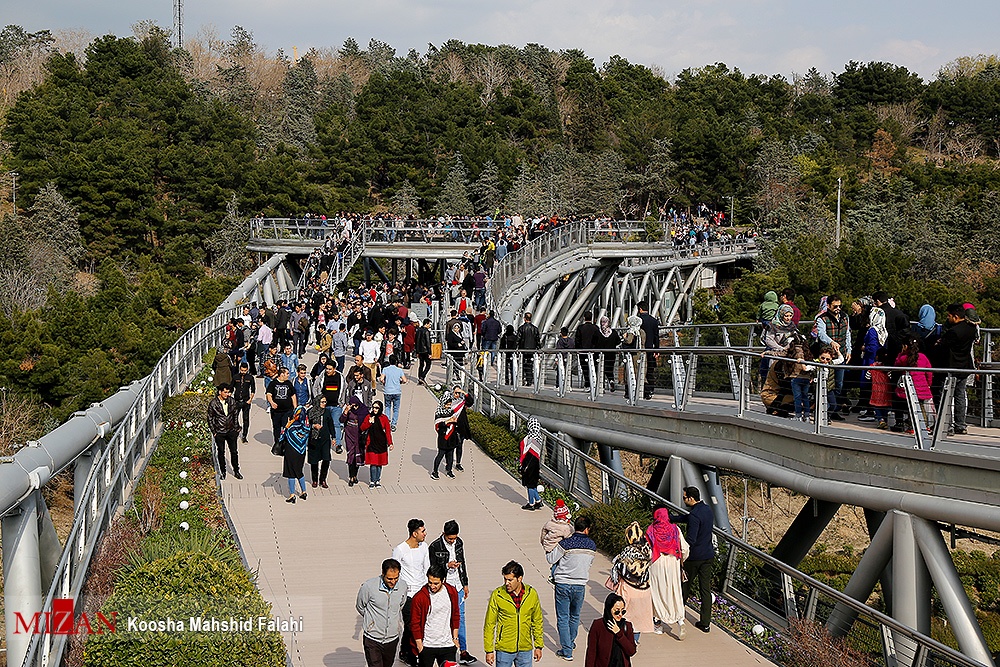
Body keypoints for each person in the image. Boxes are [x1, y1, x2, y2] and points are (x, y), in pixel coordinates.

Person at [547, 515, 597, 661]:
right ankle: (570, 641)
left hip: (562, 584)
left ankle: (567, 650)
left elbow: (551, 559)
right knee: (575, 616)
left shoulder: (566, 543)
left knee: (563, 618)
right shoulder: (592, 546)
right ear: (587, 529)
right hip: (580, 585)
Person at [428, 520, 477, 665]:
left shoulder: (459, 543)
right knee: (443, 617)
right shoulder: (435, 546)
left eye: (454, 538)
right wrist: (446, 565)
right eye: (450, 538)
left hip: (458, 585)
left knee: (460, 618)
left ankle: (463, 651)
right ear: (444, 534)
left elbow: (463, 563)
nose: (452, 541)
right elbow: (432, 569)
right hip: (444, 587)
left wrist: (465, 584)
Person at [483, 561, 544, 667]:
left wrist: (538, 646)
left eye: (510, 580)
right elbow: (489, 624)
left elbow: (537, 621)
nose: (507, 583)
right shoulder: (497, 595)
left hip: (525, 648)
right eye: (505, 579)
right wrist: (489, 650)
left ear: (519, 578)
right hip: (504, 649)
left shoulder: (532, 594)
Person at [673, 487, 715, 633]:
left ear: (691, 498)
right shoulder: (707, 510)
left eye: (684, 498)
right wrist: (673, 518)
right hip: (708, 555)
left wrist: (678, 547)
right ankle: (705, 623)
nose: (684, 500)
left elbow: (691, 539)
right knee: (705, 590)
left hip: (694, 558)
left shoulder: (694, 515)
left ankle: (678, 615)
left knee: (684, 586)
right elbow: (688, 518)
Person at [645, 508, 688, 639]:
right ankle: (680, 621)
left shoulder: (651, 530)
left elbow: (647, 550)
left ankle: (658, 624)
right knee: (674, 591)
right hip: (673, 562)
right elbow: (685, 548)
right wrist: (681, 560)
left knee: (658, 593)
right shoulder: (675, 529)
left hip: (656, 564)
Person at [357, 558, 408, 667]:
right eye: (389, 578)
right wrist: (372, 621)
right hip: (372, 639)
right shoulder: (368, 587)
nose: (393, 582)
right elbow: (360, 606)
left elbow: (401, 605)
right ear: (383, 574)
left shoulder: (403, 586)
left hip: (392, 639)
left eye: (396, 578)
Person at [394, 519, 431, 667]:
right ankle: (408, 653)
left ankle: (410, 651)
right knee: (410, 625)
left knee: (422, 623)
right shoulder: (400, 549)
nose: (425, 533)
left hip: (422, 592)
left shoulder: (424, 547)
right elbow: (394, 571)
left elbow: (427, 568)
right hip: (408, 593)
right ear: (414, 533)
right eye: (422, 531)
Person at [937, 303, 978, 435]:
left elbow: (943, 346)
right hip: (964, 366)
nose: (947, 318)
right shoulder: (971, 329)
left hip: (951, 366)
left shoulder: (953, 332)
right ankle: (960, 425)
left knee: (946, 397)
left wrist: (939, 342)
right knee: (960, 396)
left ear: (955, 316)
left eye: (949, 316)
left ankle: (946, 425)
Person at [410, 563, 461, 667]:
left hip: (447, 644)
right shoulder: (419, 597)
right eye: (430, 582)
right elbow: (414, 623)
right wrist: (419, 645)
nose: (432, 586)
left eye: (436, 583)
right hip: (427, 645)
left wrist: (455, 638)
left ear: (443, 580)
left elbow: (455, 615)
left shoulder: (451, 592)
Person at [608, 522, 654, 639]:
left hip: (628, 589)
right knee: (637, 619)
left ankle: (622, 639)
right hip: (644, 590)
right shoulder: (648, 551)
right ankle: (634, 642)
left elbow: (618, 570)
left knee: (622, 616)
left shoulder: (627, 552)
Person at [584, 593, 637, 667]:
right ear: (609, 609)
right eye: (617, 611)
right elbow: (591, 652)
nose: (620, 614)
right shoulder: (598, 625)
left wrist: (619, 633)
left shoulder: (627, 626)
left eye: (623, 611)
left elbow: (631, 651)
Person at [207, 383, 242, 480]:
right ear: (220, 392)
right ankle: (223, 471)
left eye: (228, 392)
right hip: (219, 431)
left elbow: (235, 415)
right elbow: (210, 418)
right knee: (221, 452)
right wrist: (214, 431)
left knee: (234, 452)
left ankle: (236, 470)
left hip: (231, 431)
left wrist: (236, 428)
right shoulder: (213, 403)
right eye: (225, 392)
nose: (227, 394)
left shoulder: (231, 401)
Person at [431, 388, 465, 480]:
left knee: (450, 456)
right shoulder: (439, 413)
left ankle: (449, 471)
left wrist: (454, 421)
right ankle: (435, 472)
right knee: (440, 455)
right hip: (443, 438)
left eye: (450, 404)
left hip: (452, 437)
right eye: (447, 404)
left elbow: (455, 419)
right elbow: (438, 425)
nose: (448, 406)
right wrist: (448, 421)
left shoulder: (451, 412)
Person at [280, 405, 310, 503]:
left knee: (291, 473)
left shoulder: (291, 427)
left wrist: (287, 426)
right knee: (299, 471)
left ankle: (292, 494)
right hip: (301, 452)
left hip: (291, 451)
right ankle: (303, 491)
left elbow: (281, 437)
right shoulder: (306, 427)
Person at [313, 361, 344, 454]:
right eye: (326, 368)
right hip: (324, 406)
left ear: (334, 369)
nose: (328, 371)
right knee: (322, 424)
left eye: (330, 369)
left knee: (336, 424)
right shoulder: (322, 376)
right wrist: (318, 400)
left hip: (336, 406)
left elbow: (344, 389)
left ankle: (337, 444)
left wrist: (342, 402)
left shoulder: (340, 377)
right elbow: (315, 387)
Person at [362, 400, 394, 488]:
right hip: (371, 443)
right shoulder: (369, 416)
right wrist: (369, 422)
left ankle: (377, 480)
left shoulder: (384, 418)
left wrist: (390, 443)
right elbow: (362, 427)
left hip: (381, 443)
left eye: (376, 408)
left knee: (380, 463)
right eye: (373, 407)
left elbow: (388, 432)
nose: (374, 409)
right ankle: (372, 480)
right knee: (373, 463)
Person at [341, 394, 370, 487]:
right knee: (351, 457)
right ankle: (351, 477)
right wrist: (345, 412)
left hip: (359, 437)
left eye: (355, 405)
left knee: (358, 457)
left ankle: (355, 476)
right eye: (351, 405)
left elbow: (367, 422)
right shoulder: (348, 410)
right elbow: (341, 420)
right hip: (349, 436)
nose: (353, 407)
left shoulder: (364, 410)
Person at [267, 367, 297, 447]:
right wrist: (272, 403)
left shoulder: (288, 383)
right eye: (287, 373)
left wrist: (295, 407)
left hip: (287, 411)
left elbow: (293, 395)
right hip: (276, 412)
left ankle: (285, 443)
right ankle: (277, 443)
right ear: (282, 374)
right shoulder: (273, 383)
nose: (288, 375)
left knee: (286, 427)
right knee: (276, 427)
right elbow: (269, 394)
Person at [306, 395, 333, 488]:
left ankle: (323, 479)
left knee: (326, 459)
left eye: (325, 402)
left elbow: (331, 424)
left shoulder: (327, 412)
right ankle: (315, 480)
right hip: (314, 439)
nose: (324, 404)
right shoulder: (310, 412)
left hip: (325, 439)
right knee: (314, 461)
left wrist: (333, 437)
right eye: (322, 402)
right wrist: (313, 426)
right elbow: (306, 425)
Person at [636, 302, 660, 400]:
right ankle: (650, 389)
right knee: (650, 370)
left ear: (640, 309)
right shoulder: (654, 321)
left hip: (640, 349)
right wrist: (657, 349)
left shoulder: (638, 320)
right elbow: (656, 336)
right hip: (650, 348)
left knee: (641, 370)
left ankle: (642, 390)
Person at [519, 418, 543, 510]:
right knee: (533, 484)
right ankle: (538, 501)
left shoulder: (531, 438)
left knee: (529, 485)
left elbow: (527, 452)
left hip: (529, 465)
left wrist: (524, 465)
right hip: (535, 464)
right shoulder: (539, 437)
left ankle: (531, 503)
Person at [380, 355, 408, 432]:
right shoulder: (399, 370)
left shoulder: (385, 369)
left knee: (387, 407)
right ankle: (393, 424)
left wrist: (384, 382)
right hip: (397, 391)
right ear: (396, 361)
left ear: (389, 361)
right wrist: (400, 382)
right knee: (396, 409)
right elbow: (405, 380)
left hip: (387, 391)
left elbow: (381, 379)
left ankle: (387, 422)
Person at [575, 311, 601, 389]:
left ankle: (587, 383)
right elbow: (598, 340)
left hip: (583, 351)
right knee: (593, 368)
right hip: (593, 352)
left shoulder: (580, 328)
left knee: (585, 368)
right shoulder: (596, 328)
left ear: (584, 318)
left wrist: (578, 349)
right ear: (592, 318)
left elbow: (577, 340)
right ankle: (594, 383)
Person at [231, 361, 256, 443]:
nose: (243, 372)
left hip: (246, 401)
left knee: (246, 419)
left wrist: (250, 399)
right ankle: (237, 428)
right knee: (234, 418)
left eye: (245, 370)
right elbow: (231, 388)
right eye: (242, 370)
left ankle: (244, 436)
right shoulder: (235, 377)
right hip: (237, 400)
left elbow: (253, 389)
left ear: (247, 369)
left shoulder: (250, 378)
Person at [596, 316, 621, 393]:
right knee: (610, 369)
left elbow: (594, 342)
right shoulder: (613, 333)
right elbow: (618, 342)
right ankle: (611, 380)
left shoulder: (598, 333)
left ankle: (602, 387)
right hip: (611, 355)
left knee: (601, 371)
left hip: (600, 355)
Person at [516, 313, 541, 386]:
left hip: (523, 349)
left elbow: (518, 339)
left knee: (522, 365)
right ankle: (529, 380)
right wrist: (538, 348)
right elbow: (537, 340)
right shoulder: (535, 329)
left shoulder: (521, 328)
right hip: (532, 350)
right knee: (530, 365)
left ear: (524, 318)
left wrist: (516, 348)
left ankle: (522, 379)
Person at [415, 318, 434, 385]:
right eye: (429, 324)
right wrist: (430, 353)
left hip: (419, 350)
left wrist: (417, 351)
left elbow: (416, 341)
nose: (430, 326)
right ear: (426, 324)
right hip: (425, 351)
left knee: (421, 365)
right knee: (428, 365)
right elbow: (428, 343)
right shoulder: (426, 331)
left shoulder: (418, 330)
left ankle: (420, 378)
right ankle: (422, 377)